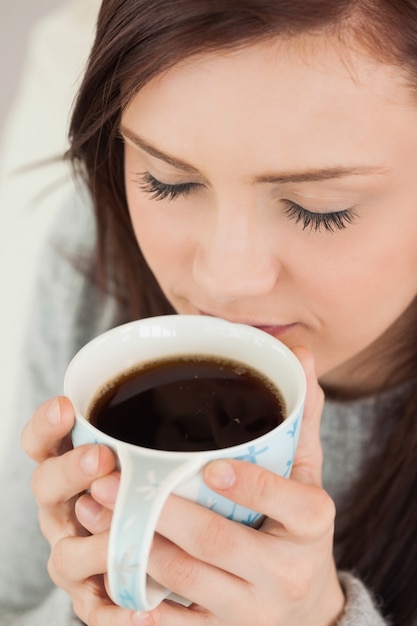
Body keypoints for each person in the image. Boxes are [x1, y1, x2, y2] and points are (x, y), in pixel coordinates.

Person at [1, 0, 417, 624]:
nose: (224, 281)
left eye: (319, 209)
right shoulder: (95, 255)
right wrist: (98, 599)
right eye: (168, 183)